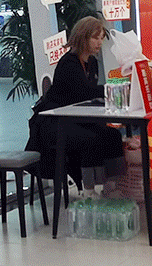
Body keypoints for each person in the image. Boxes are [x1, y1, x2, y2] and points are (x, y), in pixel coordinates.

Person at [25, 16, 124, 193]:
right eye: (95, 37)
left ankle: (113, 185)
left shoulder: (92, 63)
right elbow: (85, 93)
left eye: (101, 38)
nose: (99, 42)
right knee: (92, 139)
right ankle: (90, 189)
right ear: (83, 36)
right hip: (56, 123)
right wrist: (112, 89)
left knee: (113, 136)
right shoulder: (68, 63)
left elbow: (88, 96)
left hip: (77, 118)